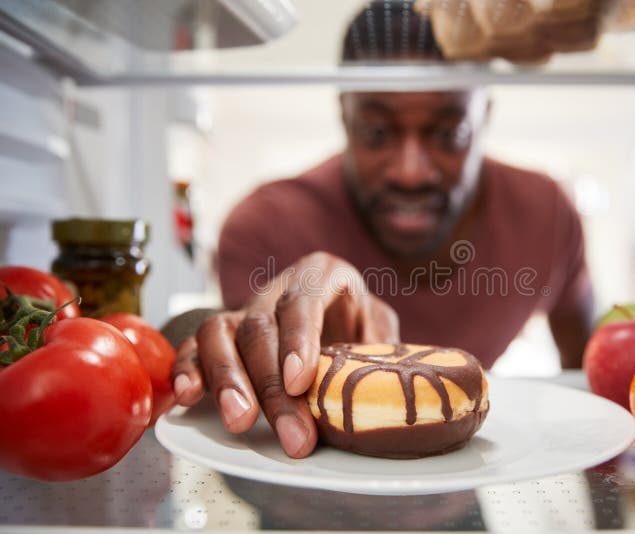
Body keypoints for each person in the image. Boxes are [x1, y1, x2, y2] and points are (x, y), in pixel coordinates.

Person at [169, 0, 594, 460]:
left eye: (449, 135)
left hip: (463, 486)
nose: (410, 172)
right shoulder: (265, 226)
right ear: (344, 117)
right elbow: (226, 351)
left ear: (484, 117)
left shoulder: (545, 216)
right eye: (376, 133)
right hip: (300, 497)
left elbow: (588, 377)